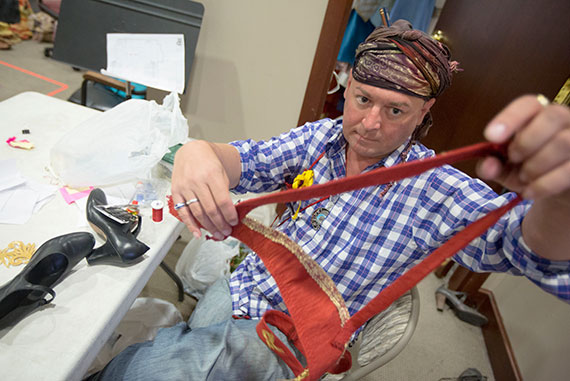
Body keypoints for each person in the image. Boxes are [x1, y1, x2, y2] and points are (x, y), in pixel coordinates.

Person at [89, 20, 570, 380]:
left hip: (298, 334)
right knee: (176, 354)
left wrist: (560, 201)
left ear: (426, 111)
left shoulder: (436, 189)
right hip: (245, 288)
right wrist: (200, 152)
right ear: (348, 89)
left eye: (396, 110)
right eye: (362, 99)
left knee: (161, 369)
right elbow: (247, 159)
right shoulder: (322, 139)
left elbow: (524, 248)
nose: (370, 124)